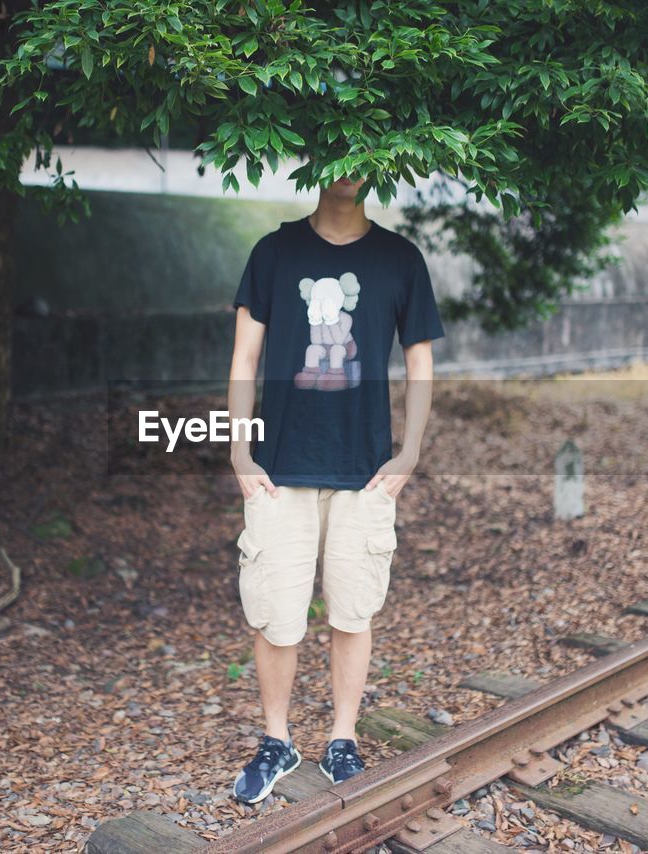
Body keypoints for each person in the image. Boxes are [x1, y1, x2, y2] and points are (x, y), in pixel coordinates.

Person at [225, 171, 444, 805]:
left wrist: (411, 449)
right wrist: (239, 450)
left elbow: (420, 361)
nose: (348, 168)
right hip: (279, 469)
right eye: (336, 153)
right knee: (275, 617)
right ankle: (277, 741)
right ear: (315, 164)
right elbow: (244, 359)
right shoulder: (274, 252)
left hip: (366, 470)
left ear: (379, 165)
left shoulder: (400, 259)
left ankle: (342, 740)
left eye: (361, 154)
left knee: (353, 612)